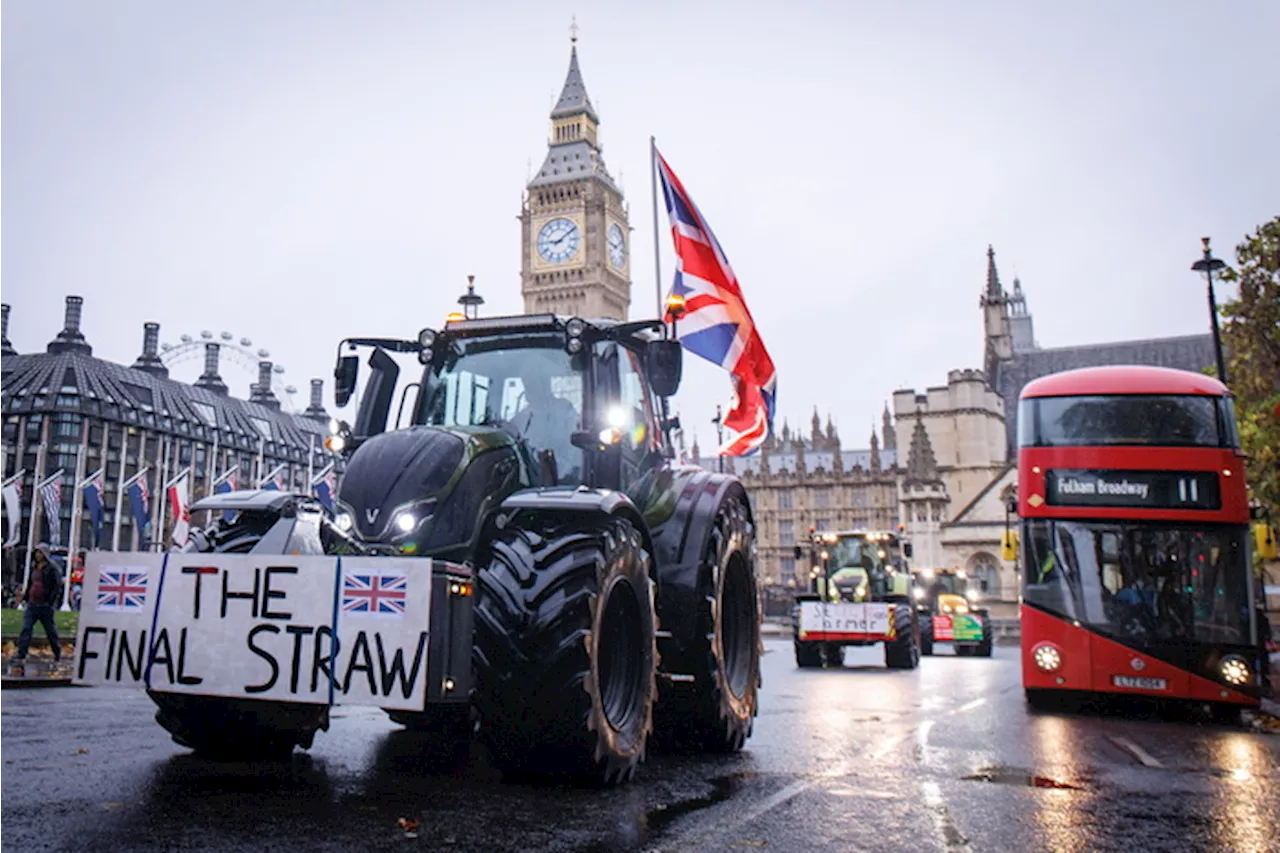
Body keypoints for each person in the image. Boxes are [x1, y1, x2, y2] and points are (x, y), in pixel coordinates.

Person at [509, 370, 581, 482]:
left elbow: (572, 449)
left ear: (546, 384)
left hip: (562, 481)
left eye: (534, 383)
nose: (530, 388)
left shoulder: (564, 410)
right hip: (525, 482)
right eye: (527, 383)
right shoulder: (521, 418)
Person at [16, 543, 64, 663]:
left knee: (50, 630)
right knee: (26, 628)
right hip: (32, 603)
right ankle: (21, 653)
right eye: (36, 552)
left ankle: (57, 652)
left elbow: (57, 586)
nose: (38, 555)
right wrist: (26, 597)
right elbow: (31, 583)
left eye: (40, 552)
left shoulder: (52, 568)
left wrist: (50, 602)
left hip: (45, 605)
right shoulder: (35, 567)